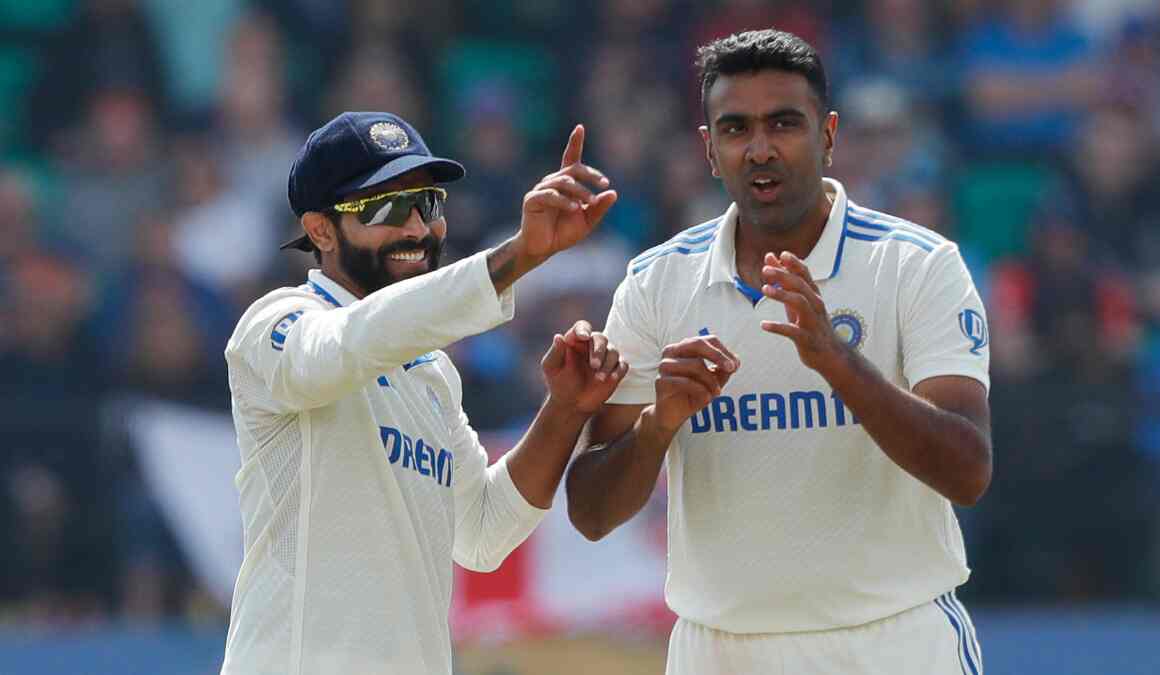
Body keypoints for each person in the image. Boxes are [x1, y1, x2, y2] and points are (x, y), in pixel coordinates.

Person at [565, 30, 992, 674]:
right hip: (719, 648)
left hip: (893, 642)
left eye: (784, 123)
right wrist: (658, 426)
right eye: (735, 129)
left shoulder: (917, 264)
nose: (760, 149)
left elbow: (968, 472)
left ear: (829, 135)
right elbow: (592, 513)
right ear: (710, 150)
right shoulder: (657, 282)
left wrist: (838, 363)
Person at [220, 111, 624, 674]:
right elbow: (346, 345)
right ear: (319, 230)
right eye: (385, 208)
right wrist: (518, 257)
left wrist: (565, 410)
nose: (416, 229)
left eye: (428, 204)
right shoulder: (276, 324)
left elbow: (482, 532)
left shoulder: (431, 372)